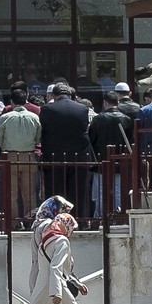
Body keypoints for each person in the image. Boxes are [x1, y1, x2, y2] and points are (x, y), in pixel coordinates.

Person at [18, 197, 88, 304]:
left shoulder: (41, 227)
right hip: (54, 281)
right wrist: (57, 291)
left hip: (40, 279)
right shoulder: (56, 234)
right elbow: (57, 266)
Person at [38, 84, 95, 215]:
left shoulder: (47, 109)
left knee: (55, 192)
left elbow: (43, 131)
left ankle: (55, 219)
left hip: (54, 156)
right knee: (77, 192)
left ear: (53, 95)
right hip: (78, 156)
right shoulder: (82, 109)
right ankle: (78, 219)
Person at [0, 92, 42, 222]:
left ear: (12, 102)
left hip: (10, 156)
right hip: (29, 156)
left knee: (11, 193)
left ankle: (14, 222)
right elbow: (38, 138)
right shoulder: (34, 117)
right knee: (30, 193)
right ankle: (31, 220)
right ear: (25, 100)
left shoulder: (5, 117)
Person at [88, 92, 135, 217]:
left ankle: (101, 216)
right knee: (118, 190)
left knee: (101, 191)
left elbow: (91, 139)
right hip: (120, 160)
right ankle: (118, 214)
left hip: (101, 160)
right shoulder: (126, 119)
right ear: (117, 103)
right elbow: (130, 141)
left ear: (105, 103)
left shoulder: (98, 119)